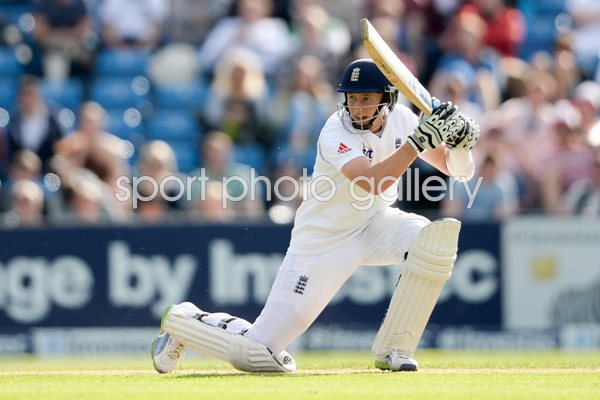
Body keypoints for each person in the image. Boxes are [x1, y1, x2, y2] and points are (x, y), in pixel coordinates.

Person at [151, 59, 480, 373]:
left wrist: (462, 147)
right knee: (258, 352)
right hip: (324, 242)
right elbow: (375, 180)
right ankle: (184, 319)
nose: (358, 107)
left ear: (387, 98)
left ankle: (395, 350)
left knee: (432, 240)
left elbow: (456, 171)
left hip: (375, 224)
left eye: (367, 98)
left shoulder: (404, 120)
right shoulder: (335, 131)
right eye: (352, 99)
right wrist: (418, 141)